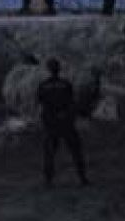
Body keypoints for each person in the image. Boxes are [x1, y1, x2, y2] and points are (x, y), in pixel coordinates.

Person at [37, 58, 89, 186]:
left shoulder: (43, 85)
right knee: (75, 150)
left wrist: (46, 119)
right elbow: (72, 103)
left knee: (49, 152)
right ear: (58, 69)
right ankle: (82, 177)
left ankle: (48, 180)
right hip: (66, 122)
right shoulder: (66, 84)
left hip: (51, 123)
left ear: (48, 70)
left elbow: (41, 104)